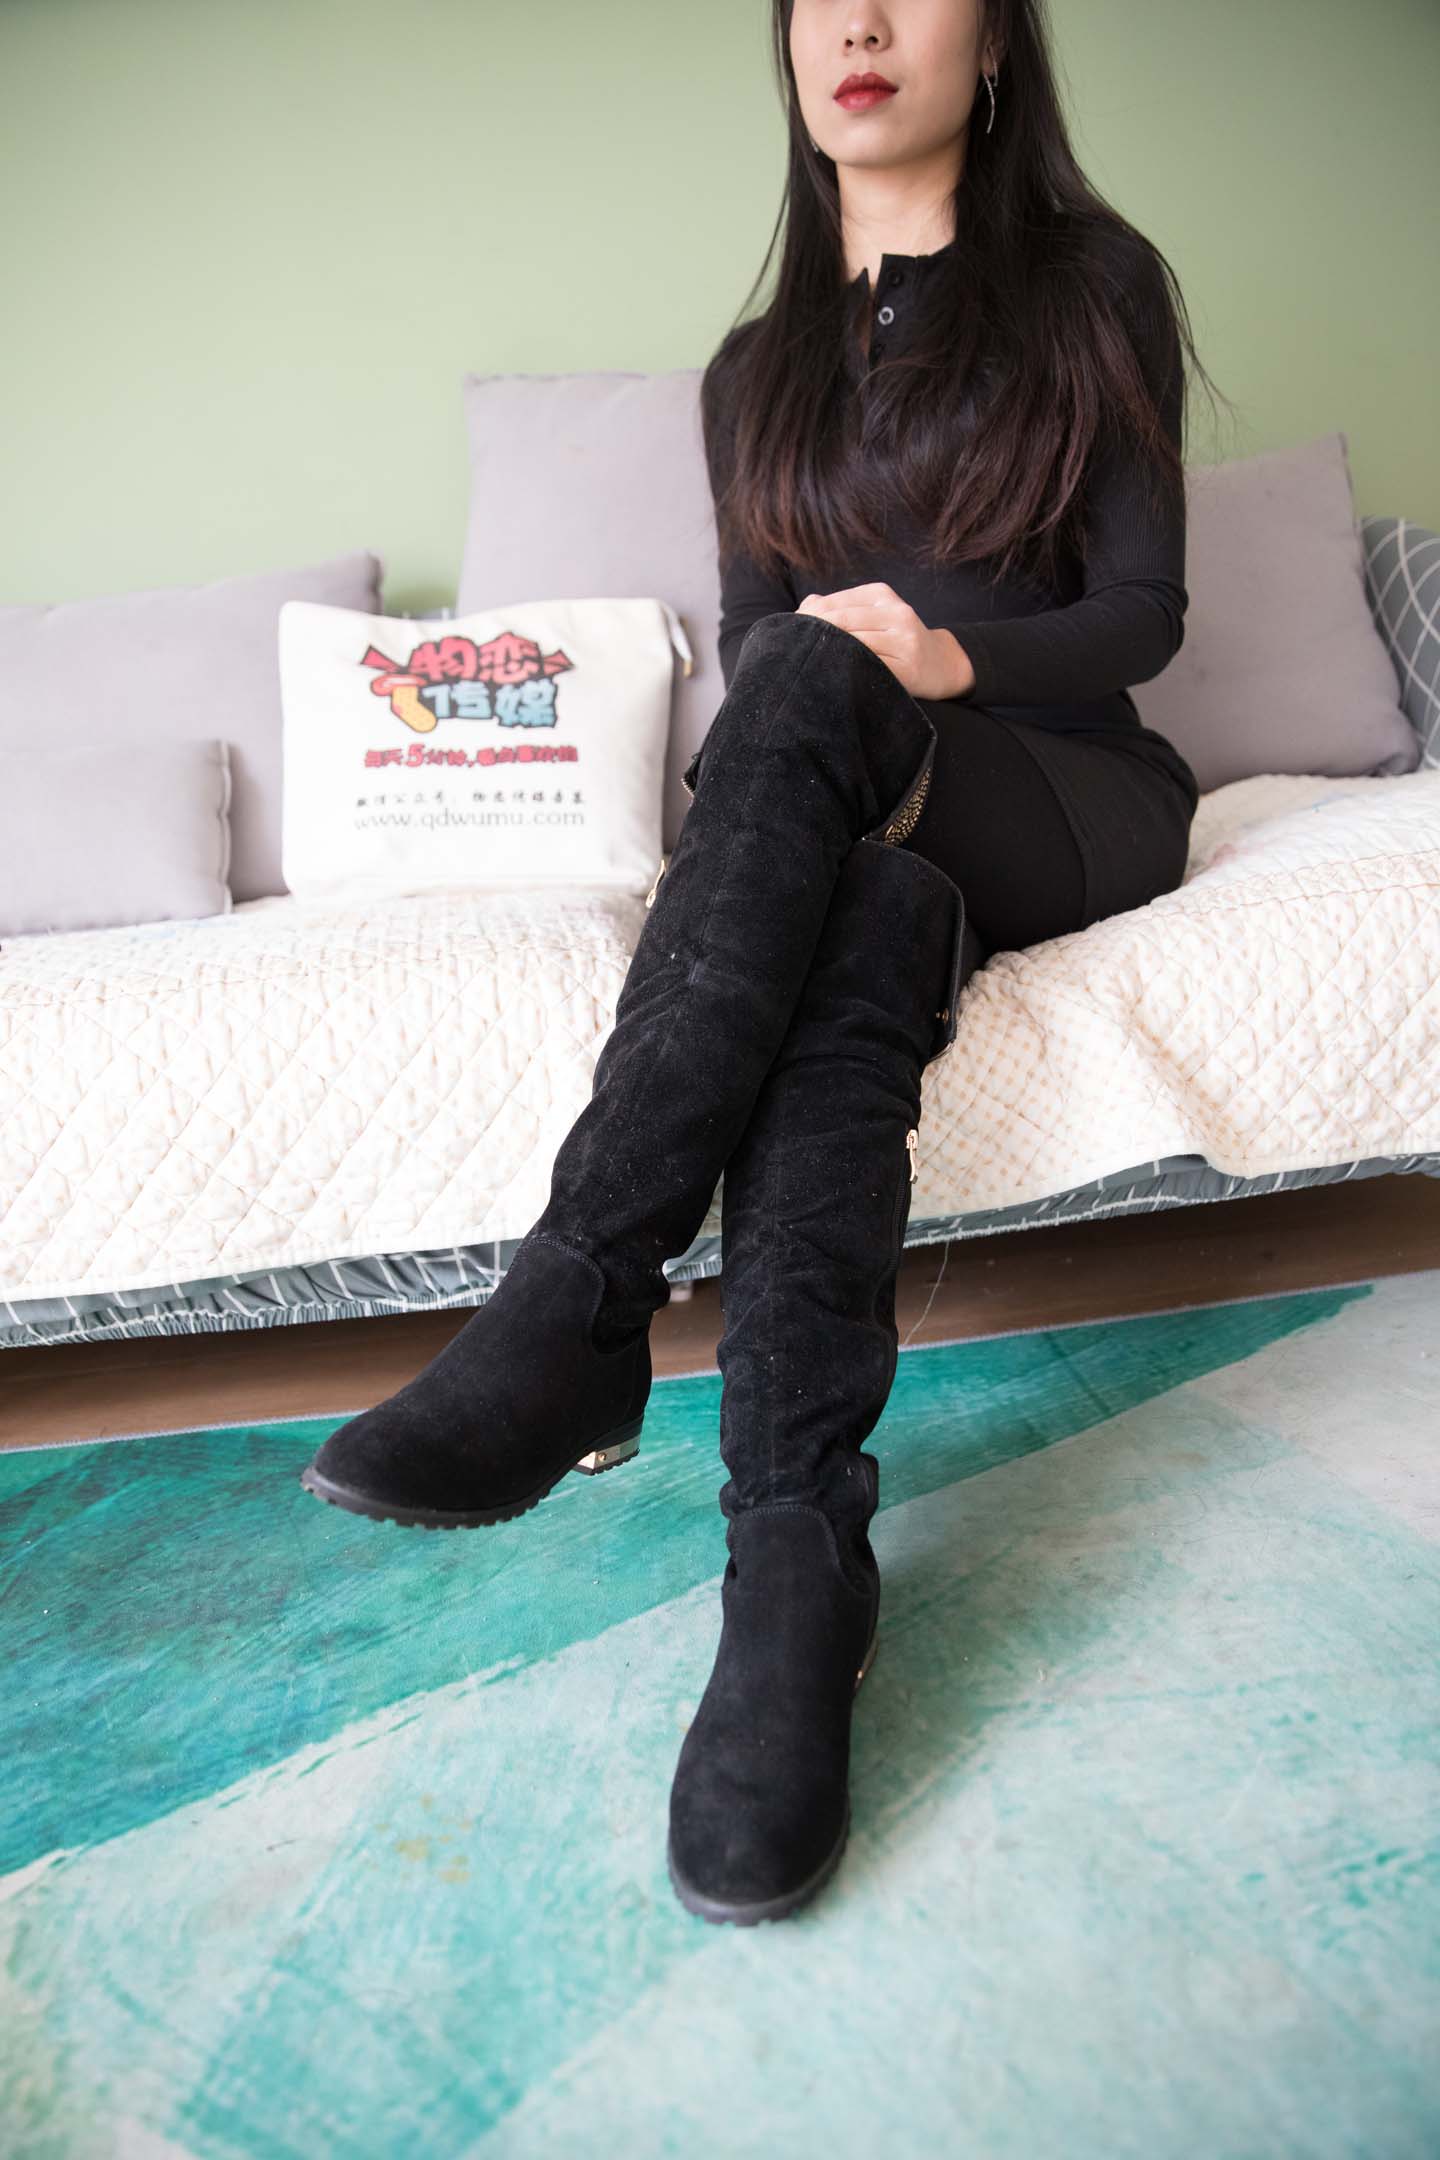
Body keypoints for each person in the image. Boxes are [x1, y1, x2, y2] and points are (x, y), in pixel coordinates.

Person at [299, 0, 1225, 1929]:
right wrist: (824, 706)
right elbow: (748, 646)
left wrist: (933, 657)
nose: (858, 22)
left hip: (1065, 786)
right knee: (856, 916)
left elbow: (1143, 614)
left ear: (997, 39)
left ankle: (580, 1300)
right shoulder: (754, 372)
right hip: (872, 827)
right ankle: (792, 1572)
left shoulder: (1095, 283)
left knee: (810, 675)